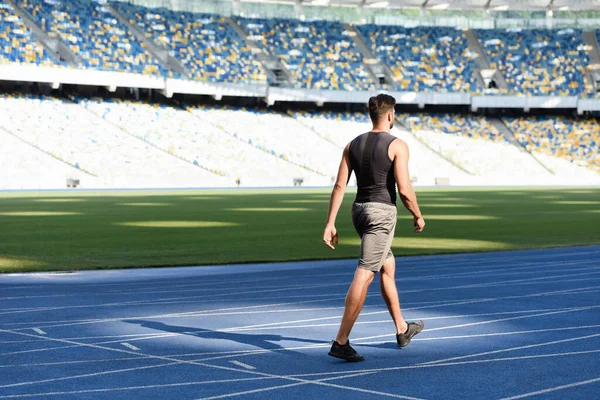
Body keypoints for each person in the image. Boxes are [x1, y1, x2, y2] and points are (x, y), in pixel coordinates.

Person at [323, 94, 425, 362]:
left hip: (359, 212)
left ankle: (402, 329)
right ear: (390, 115)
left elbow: (338, 186)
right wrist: (417, 214)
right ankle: (341, 341)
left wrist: (330, 223)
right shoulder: (397, 145)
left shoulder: (351, 145)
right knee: (366, 272)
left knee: (387, 266)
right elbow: (404, 189)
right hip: (381, 213)